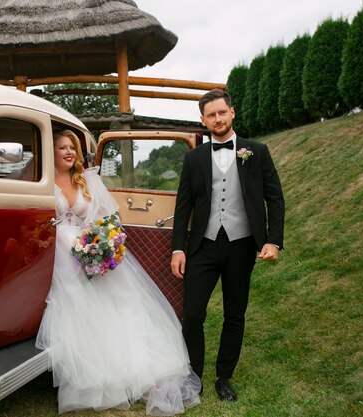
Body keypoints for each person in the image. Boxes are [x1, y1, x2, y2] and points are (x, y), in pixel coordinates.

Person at [36, 129, 201, 415]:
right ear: (51, 152)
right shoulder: (41, 182)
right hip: (56, 255)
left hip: (87, 249)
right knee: (75, 307)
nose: (68, 152)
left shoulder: (87, 180)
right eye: (62, 147)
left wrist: (102, 242)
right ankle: (86, 372)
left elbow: (107, 218)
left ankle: (130, 371)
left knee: (114, 306)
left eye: (72, 147)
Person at [170, 89, 285, 402]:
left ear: (232, 113)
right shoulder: (193, 158)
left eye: (222, 113)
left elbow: (274, 197)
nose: (217, 119)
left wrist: (274, 239)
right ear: (203, 120)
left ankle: (224, 377)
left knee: (235, 313)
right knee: (192, 314)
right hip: (203, 247)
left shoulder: (256, 151)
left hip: (242, 245)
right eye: (211, 115)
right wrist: (177, 248)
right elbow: (183, 206)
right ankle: (194, 377)